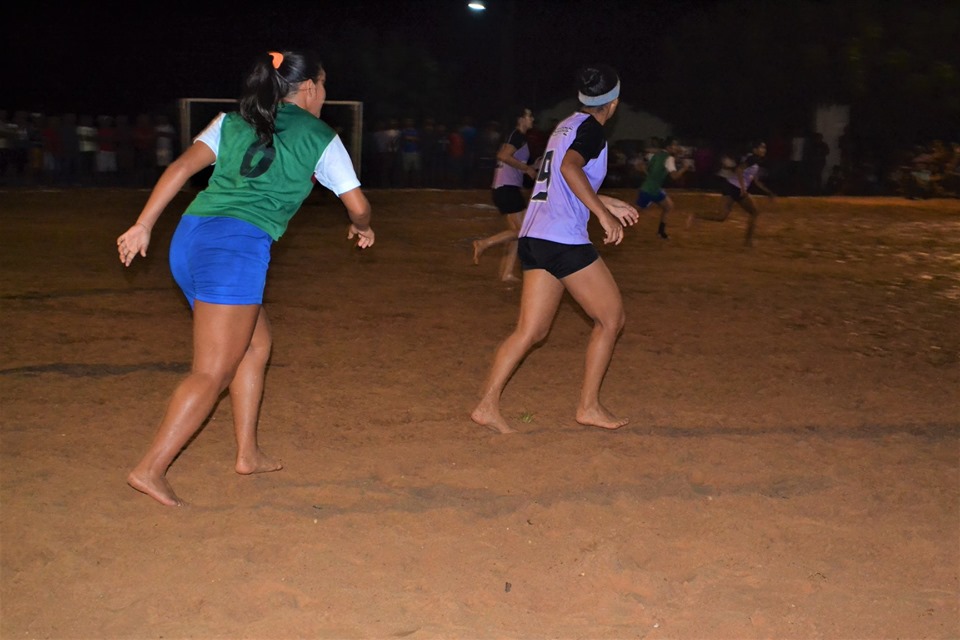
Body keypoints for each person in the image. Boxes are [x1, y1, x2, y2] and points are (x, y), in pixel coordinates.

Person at [117, 49, 374, 506]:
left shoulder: (234, 120)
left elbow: (179, 169)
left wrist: (143, 224)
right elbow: (357, 204)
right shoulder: (321, 136)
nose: (326, 95)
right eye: (325, 85)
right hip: (233, 251)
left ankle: (247, 453)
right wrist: (361, 226)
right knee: (212, 371)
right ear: (310, 88)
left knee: (255, 343)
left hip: (191, 237)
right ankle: (149, 468)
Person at [471, 64, 639, 435]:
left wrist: (607, 202)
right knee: (611, 320)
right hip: (563, 240)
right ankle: (589, 406)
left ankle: (486, 405)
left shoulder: (565, 125)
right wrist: (603, 217)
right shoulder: (593, 131)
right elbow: (570, 168)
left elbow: (562, 180)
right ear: (613, 102)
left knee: (531, 331)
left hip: (535, 236)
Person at [471, 106, 538, 282]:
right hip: (506, 189)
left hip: (506, 188)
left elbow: (512, 162)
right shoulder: (517, 136)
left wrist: (533, 166)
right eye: (529, 116)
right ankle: (484, 243)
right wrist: (527, 168)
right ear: (521, 119)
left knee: (517, 232)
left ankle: (507, 273)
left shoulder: (517, 137)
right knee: (522, 231)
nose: (532, 119)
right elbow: (503, 156)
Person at [686, 140, 775, 247]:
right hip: (736, 188)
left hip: (730, 187)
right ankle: (748, 242)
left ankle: (696, 216)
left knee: (721, 217)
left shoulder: (754, 159)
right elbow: (738, 170)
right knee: (754, 212)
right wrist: (743, 189)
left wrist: (768, 192)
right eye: (761, 148)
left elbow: (755, 181)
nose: (764, 150)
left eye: (764, 148)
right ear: (755, 149)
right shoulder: (753, 159)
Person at [634, 136, 692, 239]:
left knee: (668, 206)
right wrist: (684, 168)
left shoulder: (656, 155)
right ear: (669, 147)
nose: (676, 147)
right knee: (634, 211)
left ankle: (661, 232)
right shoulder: (669, 158)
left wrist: (646, 172)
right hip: (651, 189)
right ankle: (612, 221)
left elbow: (640, 166)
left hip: (652, 188)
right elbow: (674, 176)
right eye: (675, 145)